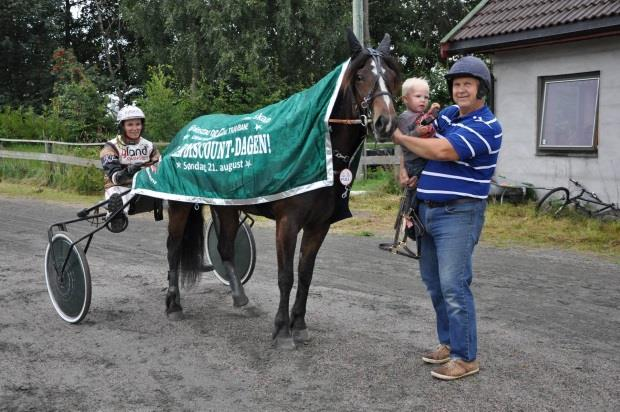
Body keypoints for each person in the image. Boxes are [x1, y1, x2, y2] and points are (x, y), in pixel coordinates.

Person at [392, 56, 502, 380]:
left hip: (459, 213)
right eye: (456, 84)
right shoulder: (450, 115)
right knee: (434, 283)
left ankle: (466, 357)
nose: (460, 89)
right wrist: (404, 163)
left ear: (482, 88)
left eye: (467, 83)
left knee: (454, 284)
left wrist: (397, 138)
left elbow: (441, 151)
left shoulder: (487, 127)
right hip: (427, 210)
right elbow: (423, 138)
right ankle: (448, 343)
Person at [100, 105, 160, 232]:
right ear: (122, 126)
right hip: (119, 187)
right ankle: (115, 213)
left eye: (138, 124)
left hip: (143, 187)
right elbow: (115, 178)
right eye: (130, 125)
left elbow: (160, 167)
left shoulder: (149, 146)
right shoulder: (111, 147)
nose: (135, 128)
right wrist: (129, 170)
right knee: (117, 194)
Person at [396, 77, 440, 238]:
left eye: (426, 97)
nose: (423, 100)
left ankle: (416, 217)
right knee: (413, 190)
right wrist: (416, 133)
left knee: (422, 188)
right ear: (405, 99)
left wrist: (434, 110)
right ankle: (408, 217)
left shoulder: (420, 115)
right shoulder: (404, 117)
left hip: (424, 157)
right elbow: (403, 139)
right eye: (418, 96)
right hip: (413, 160)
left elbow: (427, 120)